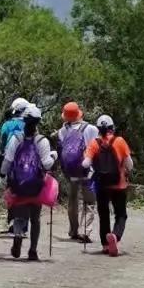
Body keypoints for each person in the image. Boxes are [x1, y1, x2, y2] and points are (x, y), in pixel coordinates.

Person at [0, 104, 56, 261]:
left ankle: (18, 235)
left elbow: (7, 161)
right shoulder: (42, 141)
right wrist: (54, 157)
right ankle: (33, 250)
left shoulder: (15, 139)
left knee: (19, 216)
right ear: (38, 122)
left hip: (18, 184)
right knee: (35, 218)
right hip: (36, 185)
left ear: (24, 121)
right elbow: (46, 164)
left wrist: (2, 176)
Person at [84, 115, 133, 256]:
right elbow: (130, 164)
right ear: (112, 128)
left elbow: (86, 163)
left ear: (98, 129)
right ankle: (115, 237)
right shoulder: (120, 141)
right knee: (121, 215)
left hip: (101, 185)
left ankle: (105, 245)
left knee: (104, 214)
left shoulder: (94, 143)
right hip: (119, 184)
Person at [53, 102, 98, 243]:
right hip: (87, 171)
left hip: (71, 172)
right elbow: (96, 148)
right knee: (89, 201)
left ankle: (73, 230)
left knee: (72, 200)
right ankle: (86, 231)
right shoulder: (90, 129)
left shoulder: (62, 131)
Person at [0, 97, 30, 231]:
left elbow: (1, 143)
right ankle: (24, 224)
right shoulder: (30, 124)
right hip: (27, 164)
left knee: (11, 192)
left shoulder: (6, 125)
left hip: (11, 163)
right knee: (26, 193)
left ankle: (12, 221)